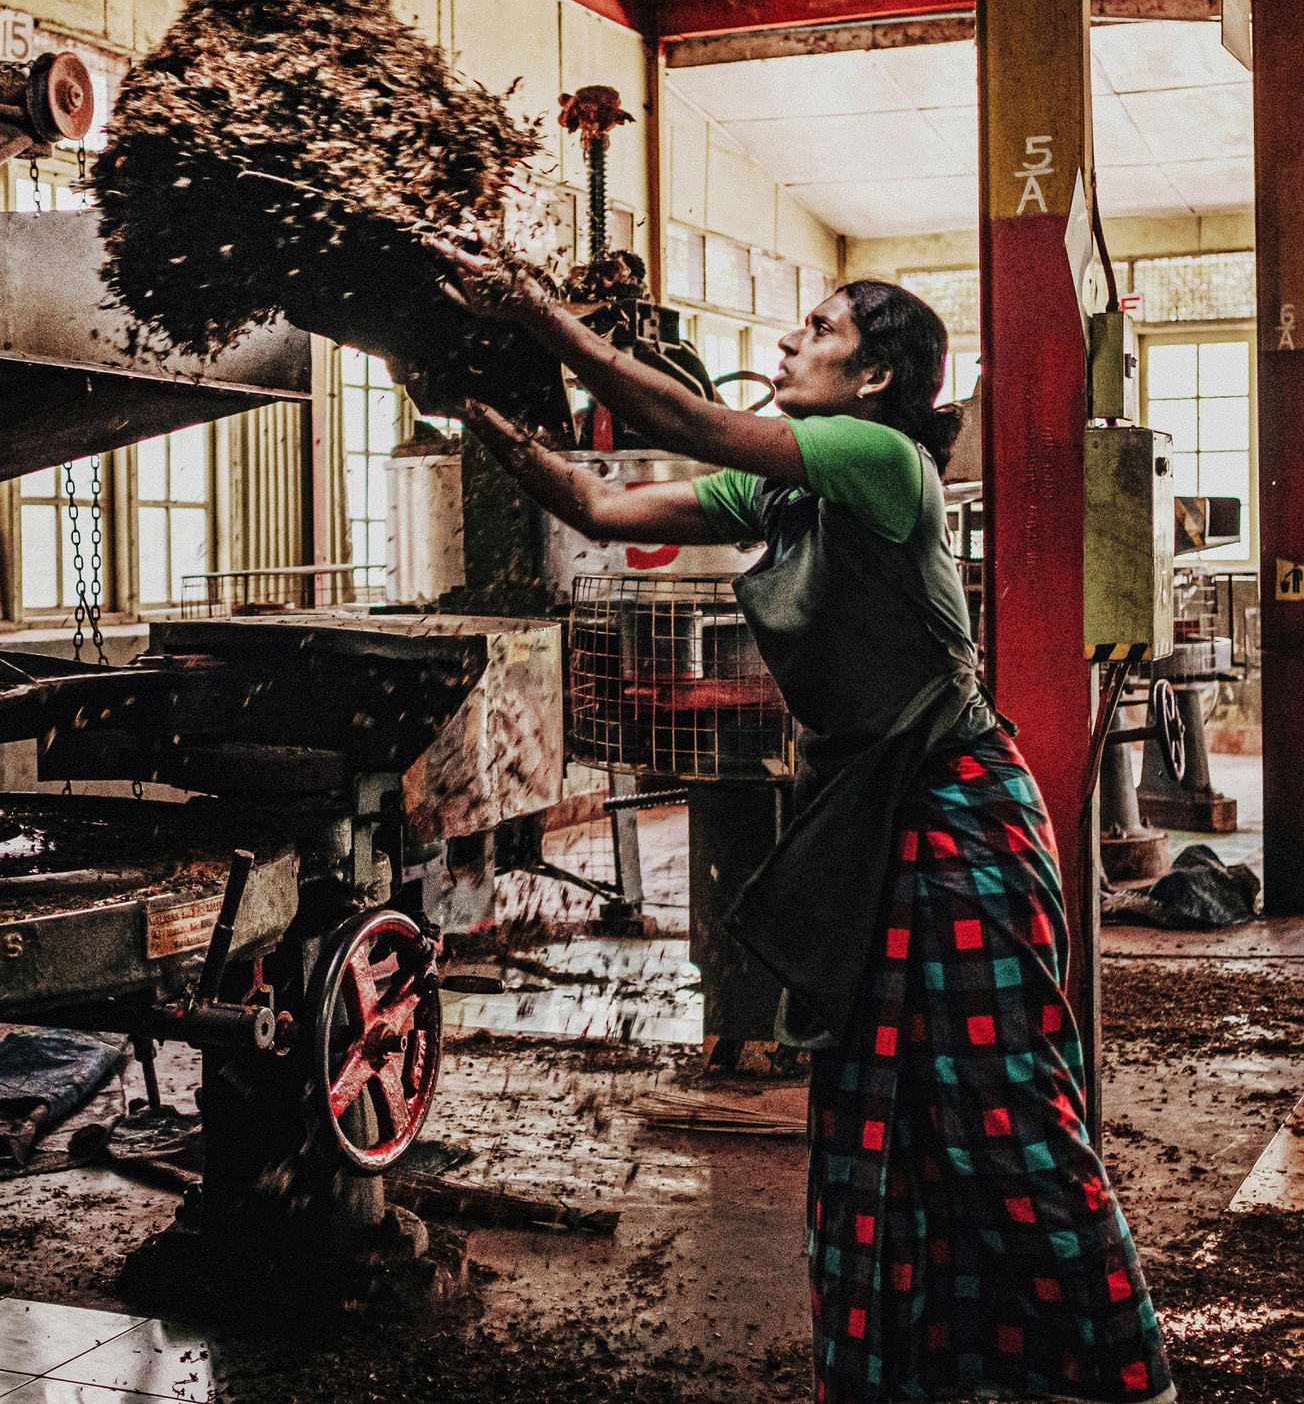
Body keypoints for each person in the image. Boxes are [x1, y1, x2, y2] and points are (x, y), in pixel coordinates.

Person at [433, 244, 1171, 1404]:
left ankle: (1125, 1374)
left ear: (875, 379)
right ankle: (910, 1376)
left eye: (815, 328)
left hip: (954, 806)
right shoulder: (782, 491)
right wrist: (467, 398)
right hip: (867, 816)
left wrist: (529, 308)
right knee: (872, 1114)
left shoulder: (880, 461)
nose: (784, 343)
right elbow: (595, 500)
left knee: (1004, 1103)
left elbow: (677, 414)